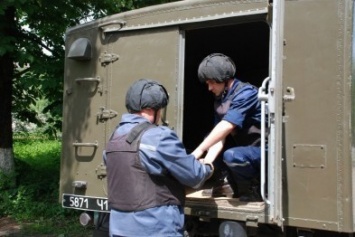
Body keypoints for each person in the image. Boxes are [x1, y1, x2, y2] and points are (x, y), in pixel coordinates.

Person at [104, 78, 214, 237]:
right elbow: (194, 175)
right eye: (161, 109)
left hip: (119, 228)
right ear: (153, 109)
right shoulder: (159, 136)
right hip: (156, 228)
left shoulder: (114, 139)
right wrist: (208, 167)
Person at [192, 53, 263, 202]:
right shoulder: (221, 100)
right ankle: (226, 183)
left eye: (212, 82)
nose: (209, 88)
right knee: (211, 145)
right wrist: (208, 161)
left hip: (264, 151)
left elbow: (226, 126)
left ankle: (254, 190)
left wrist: (198, 151)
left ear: (224, 79)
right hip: (248, 151)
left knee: (232, 156)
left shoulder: (246, 93)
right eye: (207, 83)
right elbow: (219, 136)